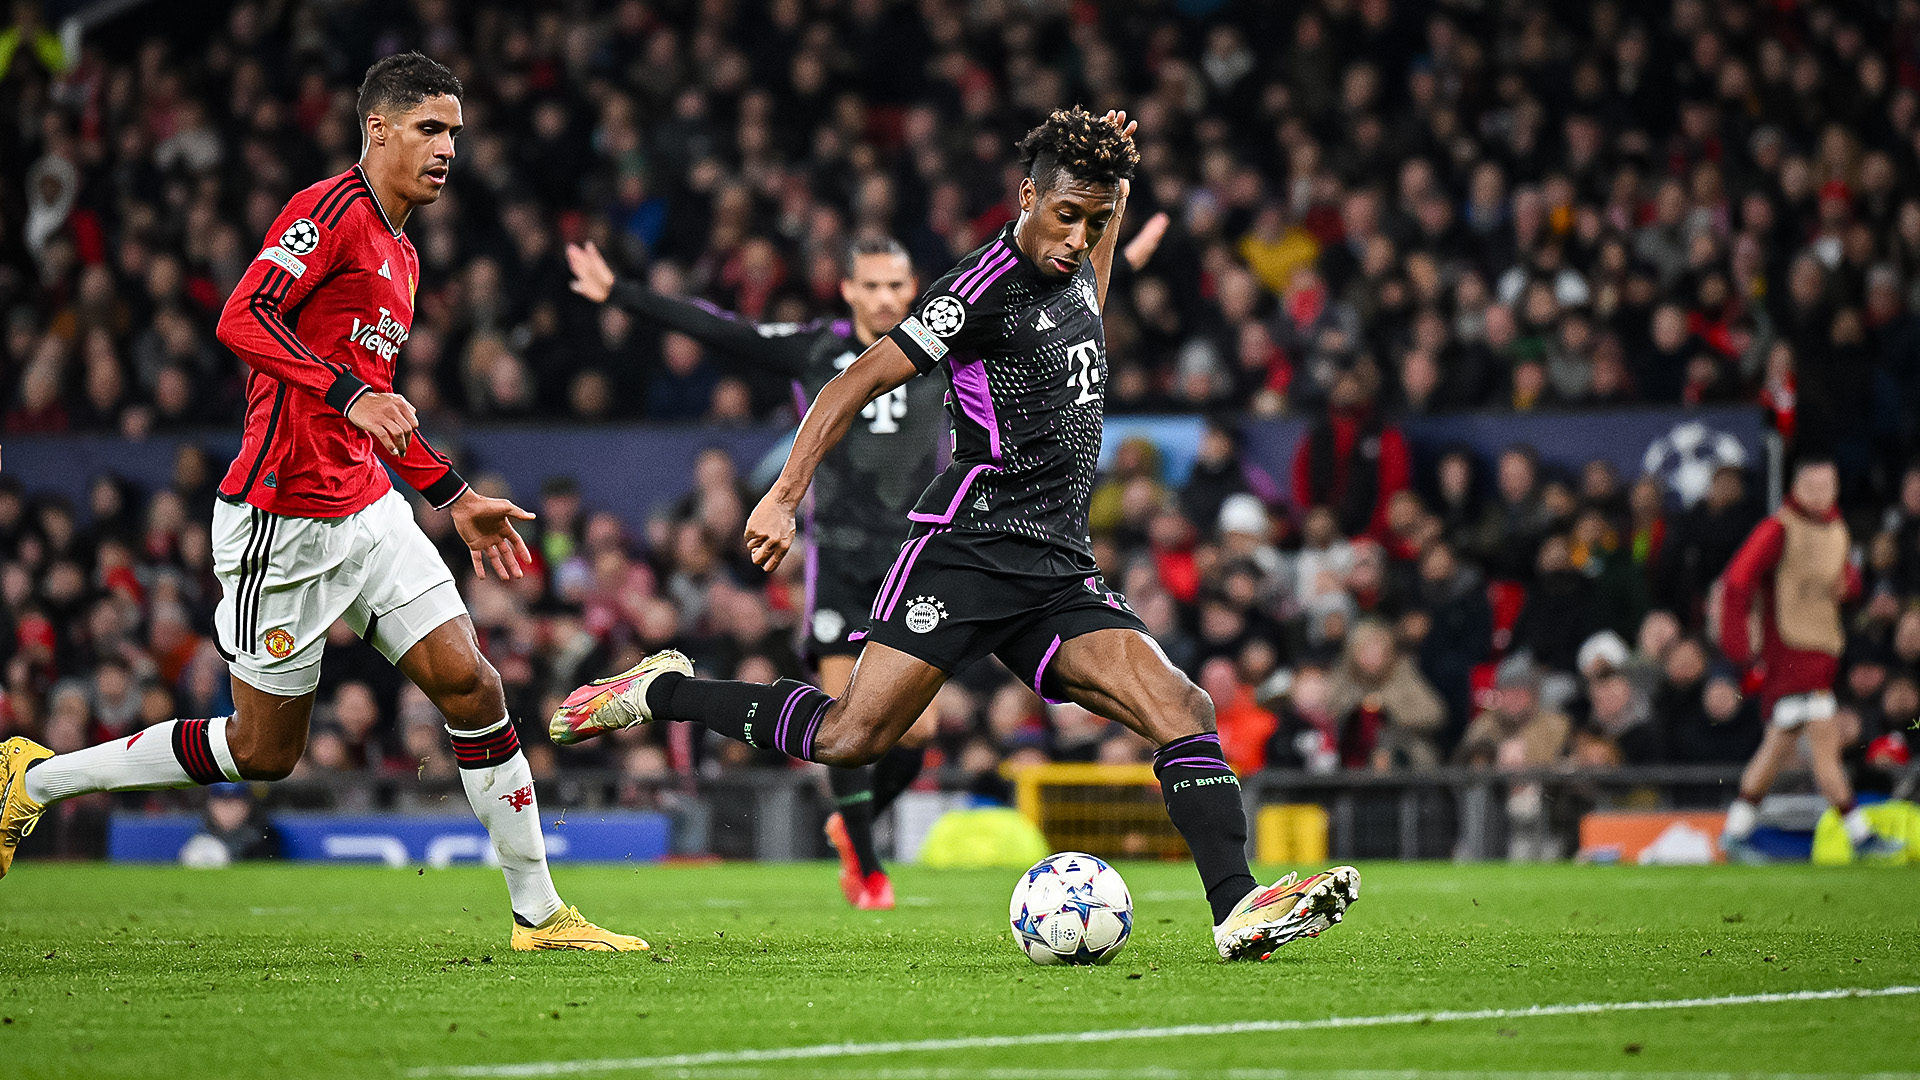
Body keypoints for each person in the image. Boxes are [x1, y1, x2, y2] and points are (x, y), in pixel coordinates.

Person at [550, 107, 1358, 960]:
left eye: (1096, 220)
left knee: (1184, 708)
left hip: (1055, 565)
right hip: (966, 550)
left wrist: (1117, 160)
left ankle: (1236, 910)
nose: (1080, 237)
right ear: (1026, 197)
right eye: (1066, 215)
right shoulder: (977, 290)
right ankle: (663, 690)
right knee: (852, 738)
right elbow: (849, 383)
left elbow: (1107, 207)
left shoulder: (1084, 266)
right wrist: (785, 495)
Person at [0, 54, 643, 951]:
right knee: (264, 752)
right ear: (377, 128)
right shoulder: (329, 212)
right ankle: (33, 782)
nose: (448, 147)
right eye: (430, 127)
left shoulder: (405, 252)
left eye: (455, 131)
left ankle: (539, 914)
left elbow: (378, 408)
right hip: (282, 519)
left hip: (369, 509)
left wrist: (452, 495)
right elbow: (241, 317)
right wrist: (347, 395)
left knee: (473, 682)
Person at [564, 233, 945, 910]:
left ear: (911, 289)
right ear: (849, 290)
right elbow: (721, 329)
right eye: (874, 286)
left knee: (918, 733)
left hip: (916, 555)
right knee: (848, 726)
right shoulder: (816, 350)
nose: (887, 298)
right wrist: (621, 293)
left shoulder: (944, 343)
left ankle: (847, 822)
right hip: (844, 558)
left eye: (897, 285)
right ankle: (867, 865)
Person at [1712, 457, 1905, 861]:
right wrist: (1740, 648)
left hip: (1821, 650)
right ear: (1796, 487)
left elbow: (1847, 579)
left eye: (1827, 486)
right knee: (1824, 747)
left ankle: (1736, 830)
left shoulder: (1835, 528)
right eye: (1812, 486)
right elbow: (1738, 580)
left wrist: (1848, 586)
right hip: (1791, 655)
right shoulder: (1777, 529)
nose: (1820, 494)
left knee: (1778, 746)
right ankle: (1859, 834)